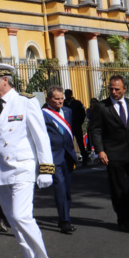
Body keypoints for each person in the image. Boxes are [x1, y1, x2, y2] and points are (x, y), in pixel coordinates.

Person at [0, 63, 55, 258]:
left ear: (4, 79)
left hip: (22, 167)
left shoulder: (26, 101)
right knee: (14, 222)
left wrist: (46, 167)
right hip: (0, 170)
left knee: (22, 216)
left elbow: (40, 136)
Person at [88, 75, 129, 233]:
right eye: (111, 89)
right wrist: (100, 150)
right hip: (113, 152)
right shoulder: (102, 107)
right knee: (118, 188)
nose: (113, 92)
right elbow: (96, 130)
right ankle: (123, 220)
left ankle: (128, 212)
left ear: (124, 89)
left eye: (117, 89)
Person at [42, 85, 77, 234]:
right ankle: (64, 221)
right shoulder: (42, 114)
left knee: (67, 189)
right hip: (53, 156)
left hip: (68, 156)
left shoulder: (68, 112)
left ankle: (65, 216)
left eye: (62, 98)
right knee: (60, 187)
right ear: (49, 99)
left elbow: (70, 132)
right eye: (56, 99)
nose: (60, 101)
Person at [65, 89, 89, 166]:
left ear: (71, 94)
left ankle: (85, 158)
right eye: (66, 94)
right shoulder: (63, 103)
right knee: (68, 143)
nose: (67, 95)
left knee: (80, 143)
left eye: (68, 94)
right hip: (68, 126)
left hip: (76, 125)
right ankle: (70, 160)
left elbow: (83, 113)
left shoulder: (77, 103)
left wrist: (79, 122)